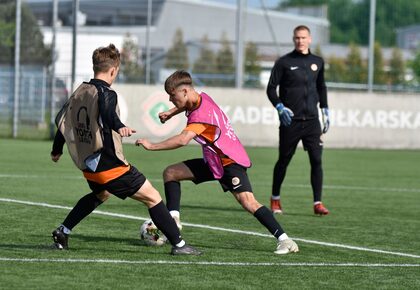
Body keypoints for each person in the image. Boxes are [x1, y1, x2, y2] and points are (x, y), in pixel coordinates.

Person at [50, 44, 200, 255]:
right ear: (113, 70)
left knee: (101, 194)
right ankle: (180, 245)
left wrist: (57, 149)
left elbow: (64, 123)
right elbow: (108, 112)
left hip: (87, 164)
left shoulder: (80, 92)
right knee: (153, 197)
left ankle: (63, 231)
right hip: (109, 164)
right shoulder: (106, 93)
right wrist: (119, 125)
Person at [135, 70, 299, 255]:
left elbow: (182, 140)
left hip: (229, 162)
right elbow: (188, 105)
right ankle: (174, 220)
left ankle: (285, 240)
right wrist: (172, 113)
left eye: (172, 96)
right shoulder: (202, 97)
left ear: (185, 91)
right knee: (171, 173)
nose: (171, 100)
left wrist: (152, 145)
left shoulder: (200, 118)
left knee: (248, 202)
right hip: (213, 161)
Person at [266, 25, 330, 215]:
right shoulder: (284, 62)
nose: (300, 41)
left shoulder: (317, 61)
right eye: (297, 38)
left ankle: (317, 203)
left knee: (316, 160)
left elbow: (322, 87)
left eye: (303, 38)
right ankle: (275, 198)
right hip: (290, 121)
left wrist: (325, 109)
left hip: (311, 121)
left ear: (309, 39)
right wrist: (279, 106)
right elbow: (271, 89)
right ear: (293, 39)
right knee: (284, 159)